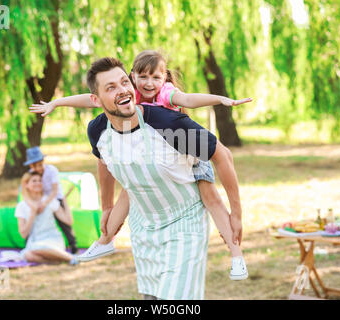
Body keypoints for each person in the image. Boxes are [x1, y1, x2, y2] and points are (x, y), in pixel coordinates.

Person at [29, 50, 249, 280]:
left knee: (211, 199)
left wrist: (221, 100)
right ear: (132, 76)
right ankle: (106, 240)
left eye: (156, 77)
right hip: (155, 156)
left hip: (186, 152)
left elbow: (190, 100)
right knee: (131, 188)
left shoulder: (166, 94)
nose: (149, 83)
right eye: (143, 77)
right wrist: (57, 103)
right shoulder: (127, 94)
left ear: (164, 78)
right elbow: (90, 98)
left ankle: (236, 254)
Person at [84, 57, 245, 299]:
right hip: (145, 232)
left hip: (184, 227)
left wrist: (237, 214)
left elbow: (222, 155)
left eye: (124, 83)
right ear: (96, 100)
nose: (122, 90)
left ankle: (236, 255)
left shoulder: (167, 124)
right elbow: (103, 160)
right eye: (111, 87)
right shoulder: (98, 131)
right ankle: (105, 241)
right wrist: (107, 206)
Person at [15, 171, 80, 265]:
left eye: (40, 181)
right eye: (34, 181)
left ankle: (71, 258)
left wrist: (64, 201)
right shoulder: (21, 206)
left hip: (52, 239)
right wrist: (33, 213)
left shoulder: (49, 201)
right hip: (35, 241)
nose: (38, 183)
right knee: (28, 255)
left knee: (35, 249)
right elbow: (23, 234)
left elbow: (69, 221)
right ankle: (60, 261)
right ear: (26, 184)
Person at [24, 146, 79, 254]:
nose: (39, 168)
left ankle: (73, 245)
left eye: (40, 164)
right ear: (31, 165)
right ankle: (28, 245)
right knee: (33, 221)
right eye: (36, 166)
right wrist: (36, 203)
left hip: (56, 198)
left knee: (64, 223)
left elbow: (54, 191)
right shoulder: (31, 173)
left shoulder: (52, 170)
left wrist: (45, 203)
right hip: (40, 200)